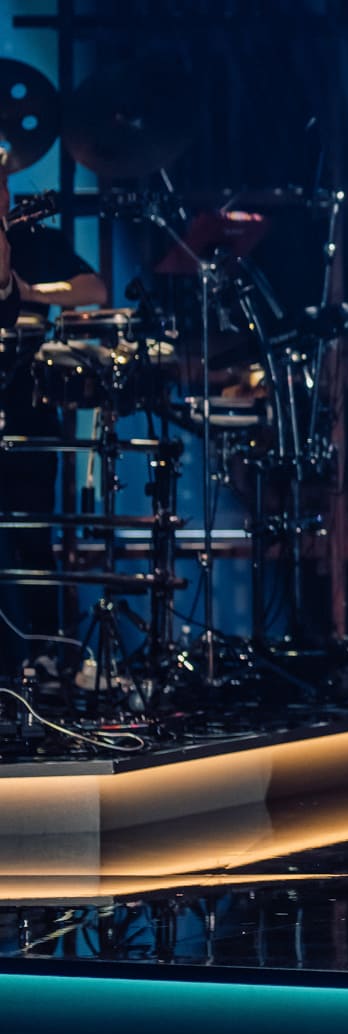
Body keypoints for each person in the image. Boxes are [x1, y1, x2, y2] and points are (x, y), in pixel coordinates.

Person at [0, 166, 109, 674]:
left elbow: (95, 289)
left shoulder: (38, 239)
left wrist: (31, 292)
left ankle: (43, 652)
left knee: (32, 534)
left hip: (26, 402)